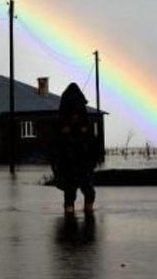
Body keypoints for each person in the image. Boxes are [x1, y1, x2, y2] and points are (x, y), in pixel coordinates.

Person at [50, 83, 99, 214]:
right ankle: (72, 220)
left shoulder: (83, 124)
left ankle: (86, 217)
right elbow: (55, 147)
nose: (75, 115)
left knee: (84, 192)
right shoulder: (63, 125)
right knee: (73, 193)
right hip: (69, 163)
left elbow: (93, 145)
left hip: (81, 162)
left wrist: (93, 161)